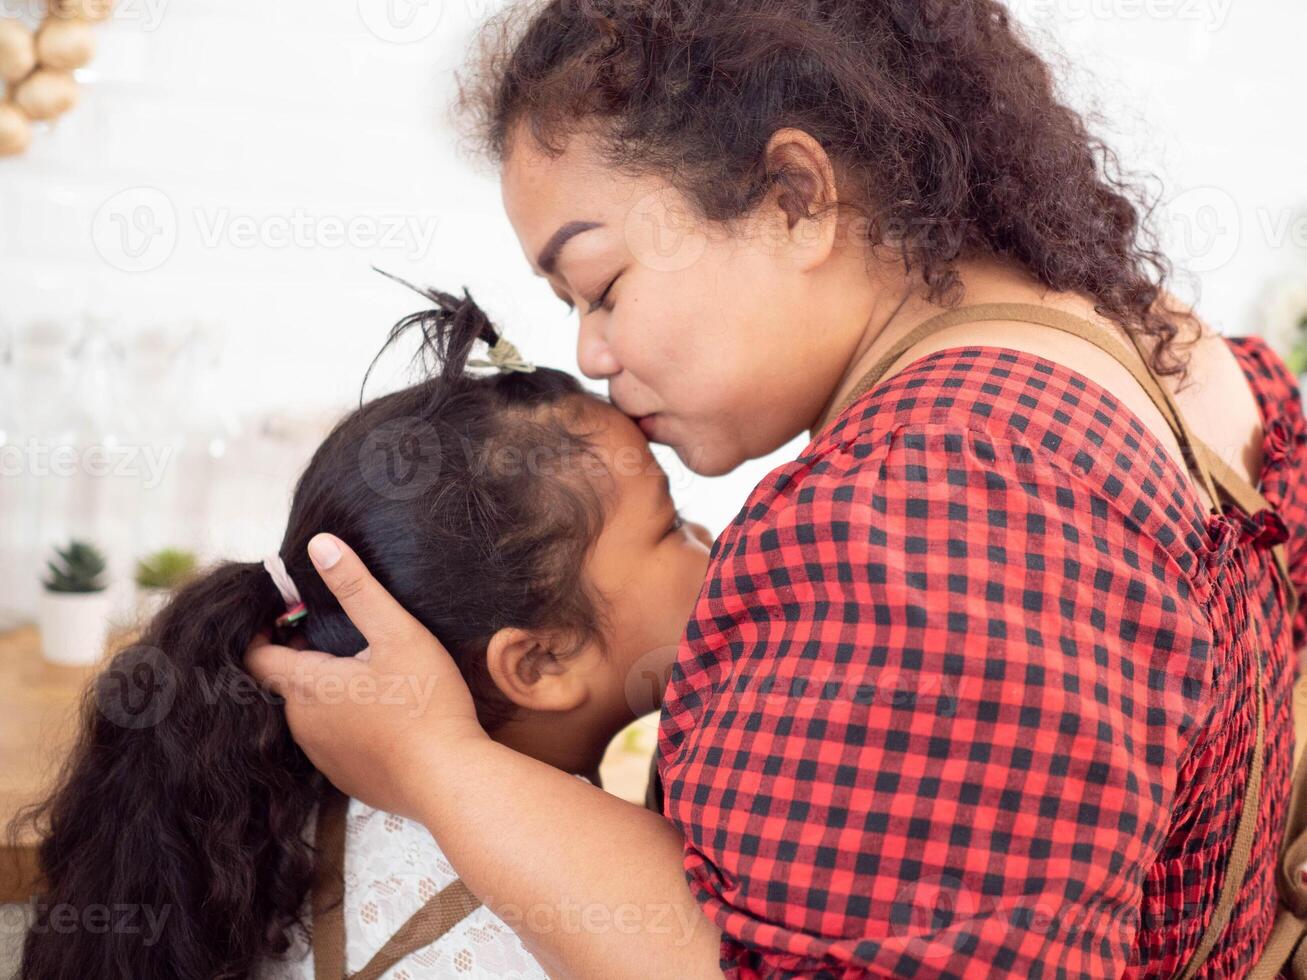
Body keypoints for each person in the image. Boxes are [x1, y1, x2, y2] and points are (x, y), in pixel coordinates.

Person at [246, 1, 1307, 976]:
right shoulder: (1155, 341)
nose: (594, 352)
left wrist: (435, 763)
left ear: (794, 198)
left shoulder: (926, 500)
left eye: (602, 286)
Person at [13, 285, 713, 980]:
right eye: (670, 525)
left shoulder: (291, 822)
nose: (712, 538)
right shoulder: (579, 928)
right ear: (540, 661)